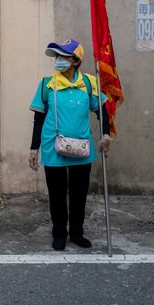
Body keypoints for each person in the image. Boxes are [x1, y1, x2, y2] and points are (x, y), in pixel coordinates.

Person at [28, 39, 111, 251]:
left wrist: (106, 135)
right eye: (56, 56)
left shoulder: (90, 83)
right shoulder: (48, 83)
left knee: (78, 193)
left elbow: (101, 109)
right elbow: (39, 118)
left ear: (75, 60)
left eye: (63, 56)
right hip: (52, 146)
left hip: (82, 148)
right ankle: (59, 233)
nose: (58, 60)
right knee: (57, 194)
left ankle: (76, 233)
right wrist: (33, 149)